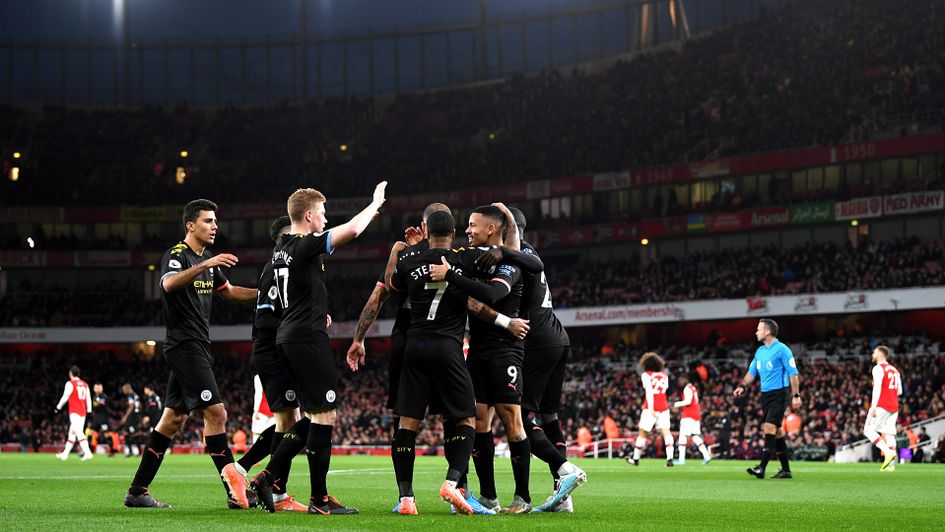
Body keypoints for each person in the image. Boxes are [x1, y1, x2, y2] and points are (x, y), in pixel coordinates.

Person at [251, 182, 386, 516]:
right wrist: (375, 204)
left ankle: (269, 478)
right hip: (306, 339)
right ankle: (317, 498)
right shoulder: (303, 245)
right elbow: (353, 229)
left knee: (315, 416)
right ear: (309, 215)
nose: (325, 219)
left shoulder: (280, 247)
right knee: (324, 416)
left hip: (289, 337)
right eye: (322, 213)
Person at [123, 198, 258, 509]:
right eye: (208, 221)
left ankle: (137, 491)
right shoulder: (177, 255)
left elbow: (231, 292)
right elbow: (169, 285)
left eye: (215, 221)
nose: (215, 226)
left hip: (198, 345)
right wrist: (205, 265)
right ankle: (234, 491)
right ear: (190, 225)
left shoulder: (206, 259)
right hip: (183, 345)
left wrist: (268, 293)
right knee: (217, 414)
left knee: (172, 420)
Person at [506, 206, 585, 513]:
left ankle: (566, 469)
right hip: (557, 337)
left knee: (522, 419)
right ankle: (563, 496)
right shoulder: (530, 252)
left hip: (537, 342)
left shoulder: (513, 255)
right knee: (549, 418)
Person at [241, 216, 309, 513]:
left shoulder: (277, 269)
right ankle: (273, 489)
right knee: (296, 421)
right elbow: (271, 317)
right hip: (274, 352)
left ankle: (244, 469)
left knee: (288, 421)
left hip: (273, 351)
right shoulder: (277, 268)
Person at [733, 319, 801, 479]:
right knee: (777, 432)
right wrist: (742, 386)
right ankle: (786, 470)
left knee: (768, 427)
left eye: (759, 329)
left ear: (767, 332)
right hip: (765, 395)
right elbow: (751, 373)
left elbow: (793, 373)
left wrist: (796, 395)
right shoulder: (760, 352)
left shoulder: (783, 350)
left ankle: (761, 467)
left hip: (780, 393)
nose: (756, 332)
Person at [627, 352, 675, 467]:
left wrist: (652, 408)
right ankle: (670, 458)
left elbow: (649, 392)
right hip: (664, 406)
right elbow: (664, 390)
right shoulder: (664, 375)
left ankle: (635, 459)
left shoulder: (646, 375)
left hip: (650, 407)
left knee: (643, 432)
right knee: (666, 432)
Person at [862, 345, 901, 471]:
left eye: (874, 352)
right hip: (894, 405)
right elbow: (899, 391)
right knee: (889, 433)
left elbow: (877, 388)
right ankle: (890, 466)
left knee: (868, 430)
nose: (873, 354)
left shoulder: (878, 368)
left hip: (882, 404)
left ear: (880, 354)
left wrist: (873, 406)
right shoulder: (895, 370)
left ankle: (887, 453)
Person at [55, 365, 92, 461]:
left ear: (70, 373)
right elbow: (88, 399)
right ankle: (65, 455)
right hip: (83, 412)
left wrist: (58, 407)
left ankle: (88, 453)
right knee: (72, 432)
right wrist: (89, 411)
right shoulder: (85, 384)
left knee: (78, 432)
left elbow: (66, 396)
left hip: (74, 411)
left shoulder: (70, 383)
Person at [673, 373, 712, 465]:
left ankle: (681, 459)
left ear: (685, 380)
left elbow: (688, 401)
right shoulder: (693, 388)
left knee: (682, 436)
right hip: (696, 415)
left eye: (681, 380)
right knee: (695, 436)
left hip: (688, 415)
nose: (680, 382)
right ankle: (706, 456)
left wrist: (676, 404)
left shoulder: (687, 389)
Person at [119, 383, 142, 457]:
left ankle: (140, 452)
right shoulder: (136, 395)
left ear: (127, 388)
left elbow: (131, 406)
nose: (123, 391)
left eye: (124, 390)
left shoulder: (130, 396)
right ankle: (131, 451)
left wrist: (125, 417)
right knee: (126, 433)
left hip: (132, 417)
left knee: (134, 434)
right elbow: (140, 406)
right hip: (136, 416)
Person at [91, 382, 113, 456]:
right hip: (96, 418)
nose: (97, 389)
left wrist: (95, 405)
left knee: (106, 434)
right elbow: (96, 406)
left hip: (103, 418)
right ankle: (89, 450)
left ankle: (111, 451)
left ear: (101, 388)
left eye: (99, 387)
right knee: (89, 432)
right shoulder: (95, 397)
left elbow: (101, 406)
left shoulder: (103, 396)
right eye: (96, 387)